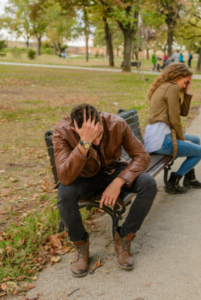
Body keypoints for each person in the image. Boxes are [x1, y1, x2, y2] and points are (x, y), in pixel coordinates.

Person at [53, 104, 157, 277]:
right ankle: (81, 246)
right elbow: (65, 177)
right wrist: (83, 144)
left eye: (97, 134)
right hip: (83, 176)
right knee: (64, 194)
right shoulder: (63, 131)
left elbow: (142, 156)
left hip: (113, 171)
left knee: (148, 183)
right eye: (88, 138)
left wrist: (118, 181)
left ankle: (124, 239)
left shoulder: (116, 124)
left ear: (101, 119)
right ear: (74, 128)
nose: (95, 142)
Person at [144, 63, 201, 194]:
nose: (184, 85)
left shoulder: (166, 86)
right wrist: (182, 139)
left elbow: (183, 113)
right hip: (161, 141)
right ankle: (174, 181)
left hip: (159, 137)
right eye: (185, 82)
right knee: (199, 151)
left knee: (195, 140)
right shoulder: (171, 88)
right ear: (178, 75)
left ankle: (190, 179)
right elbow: (174, 119)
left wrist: (188, 91)